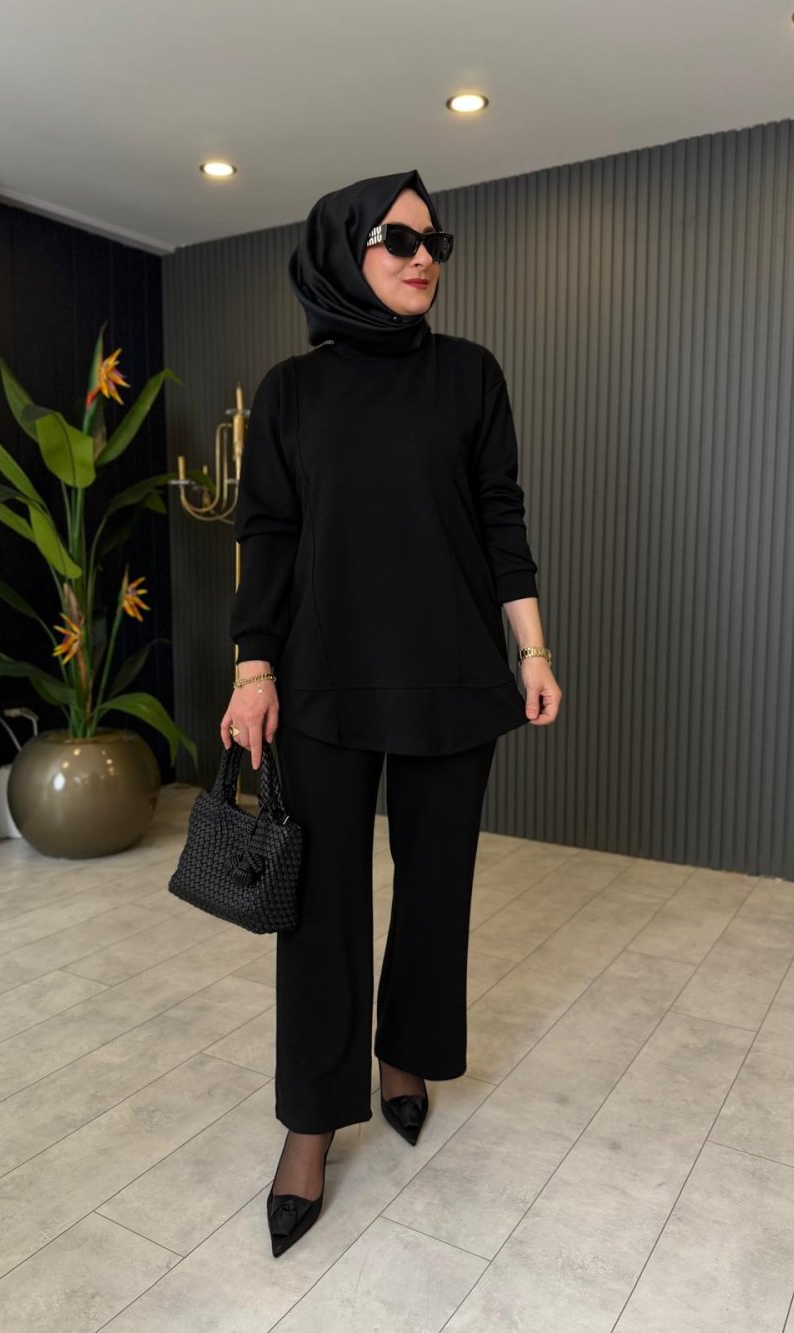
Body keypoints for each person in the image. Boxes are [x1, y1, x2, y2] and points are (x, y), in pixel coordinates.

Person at [220, 168, 561, 1257]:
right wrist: (252, 670)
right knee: (318, 907)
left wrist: (532, 648)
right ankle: (310, 1123)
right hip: (321, 676)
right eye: (401, 239)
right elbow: (267, 535)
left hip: (452, 670)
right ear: (342, 251)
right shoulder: (290, 393)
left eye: (435, 243)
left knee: (435, 886)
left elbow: (500, 518)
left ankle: (403, 1053)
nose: (425, 258)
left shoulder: (470, 376)